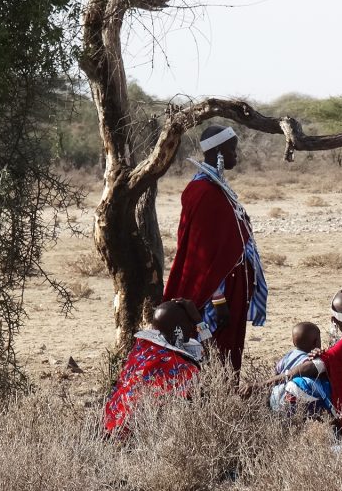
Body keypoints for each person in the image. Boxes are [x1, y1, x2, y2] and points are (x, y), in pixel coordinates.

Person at [163, 124, 268, 372]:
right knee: (214, 351)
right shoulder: (203, 191)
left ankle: (225, 399)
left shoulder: (216, 187)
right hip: (217, 295)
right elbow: (206, 257)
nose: (236, 155)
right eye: (232, 149)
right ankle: (212, 402)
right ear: (219, 151)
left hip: (233, 287)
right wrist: (219, 301)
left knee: (229, 351)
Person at [256, 291, 342, 433]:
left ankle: (294, 433)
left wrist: (260, 385)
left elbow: (310, 368)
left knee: (298, 386)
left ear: (334, 321)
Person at [102, 299, 209, 435]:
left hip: (116, 424)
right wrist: (200, 321)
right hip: (142, 435)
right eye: (189, 322)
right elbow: (216, 358)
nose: (193, 327)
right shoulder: (178, 366)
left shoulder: (146, 347)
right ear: (178, 329)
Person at [268, 322, 333, 416]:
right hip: (290, 399)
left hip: (276, 398)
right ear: (316, 342)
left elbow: (277, 373)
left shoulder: (286, 357)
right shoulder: (308, 360)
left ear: (293, 342)